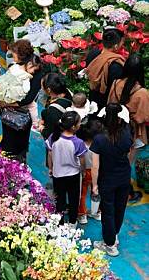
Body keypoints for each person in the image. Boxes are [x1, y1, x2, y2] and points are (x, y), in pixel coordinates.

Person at [91, 103, 134, 257]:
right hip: (123, 176)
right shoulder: (127, 133)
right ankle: (114, 234)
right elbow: (129, 153)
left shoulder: (99, 139)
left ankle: (109, 245)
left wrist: (94, 185)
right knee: (120, 208)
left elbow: (95, 166)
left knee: (107, 211)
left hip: (107, 179)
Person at [107, 53, 148, 204]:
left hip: (115, 127)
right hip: (133, 132)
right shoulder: (142, 93)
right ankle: (125, 193)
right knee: (126, 163)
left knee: (116, 160)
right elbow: (143, 117)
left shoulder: (116, 83)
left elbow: (110, 103)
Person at [0, 40, 43, 162]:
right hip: (9, 111)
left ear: (21, 55)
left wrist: (7, 103)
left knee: (17, 142)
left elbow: (28, 99)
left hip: (21, 115)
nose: (12, 56)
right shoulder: (17, 66)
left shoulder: (35, 72)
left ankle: (17, 162)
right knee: (8, 137)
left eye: (14, 54)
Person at [46, 111, 87, 225]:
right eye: (79, 123)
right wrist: (83, 172)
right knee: (74, 200)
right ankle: (72, 222)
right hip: (73, 175)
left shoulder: (54, 137)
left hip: (58, 174)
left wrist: (51, 168)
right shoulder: (78, 142)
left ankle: (60, 223)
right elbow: (82, 160)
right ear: (74, 127)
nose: (80, 124)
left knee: (60, 199)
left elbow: (50, 153)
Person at [85, 28, 125, 109]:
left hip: (93, 98)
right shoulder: (115, 64)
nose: (122, 45)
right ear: (116, 46)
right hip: (107, 103)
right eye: (122, 43)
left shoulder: (92, 54)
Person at [77, 119, 102, 224]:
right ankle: (96, 212)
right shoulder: (100, 145)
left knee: (82, 193)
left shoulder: (81, 144)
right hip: (97, 172)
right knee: (96, 191)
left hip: (85, 172)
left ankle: (82, 215)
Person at [39, 73, 71, 141]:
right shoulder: (66, 92)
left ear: (49, 90)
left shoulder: (52, 111)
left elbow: (48, 134)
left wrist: (41, 128)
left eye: (42, 87)